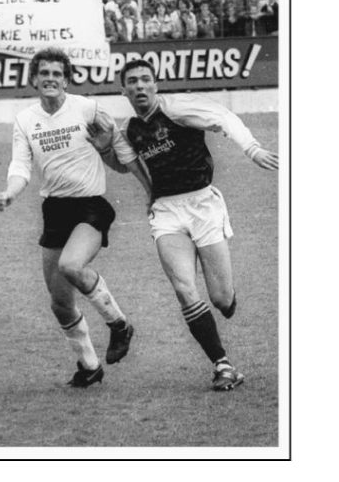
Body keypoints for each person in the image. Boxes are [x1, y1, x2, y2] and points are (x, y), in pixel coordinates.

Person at [118, 59, 278, 390]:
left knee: (220, 299)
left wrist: (251, 148)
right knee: (183, 288)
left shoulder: (178, 108)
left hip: (203, 204)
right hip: (166, 211)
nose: (139, 86)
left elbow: (223, 117)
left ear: (156, 85)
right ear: (124, 90)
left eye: (146, 79)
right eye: (132, 81)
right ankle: (223, 365)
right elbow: (127, 163)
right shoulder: (128, 128)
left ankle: (227, 297)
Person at [0, 48, 148, 387]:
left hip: (91, 206)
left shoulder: (87, 108)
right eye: (44, 73)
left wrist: (149, 190)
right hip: (55, 211)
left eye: (57, 73)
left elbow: (120, 148)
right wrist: (10, 192)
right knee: (60, 303)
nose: (50, 78)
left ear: (66, 79)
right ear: (34, 79)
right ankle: (89, 366)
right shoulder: (25, 120)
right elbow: (20, 165)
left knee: (71, 265)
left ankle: (119, 324)